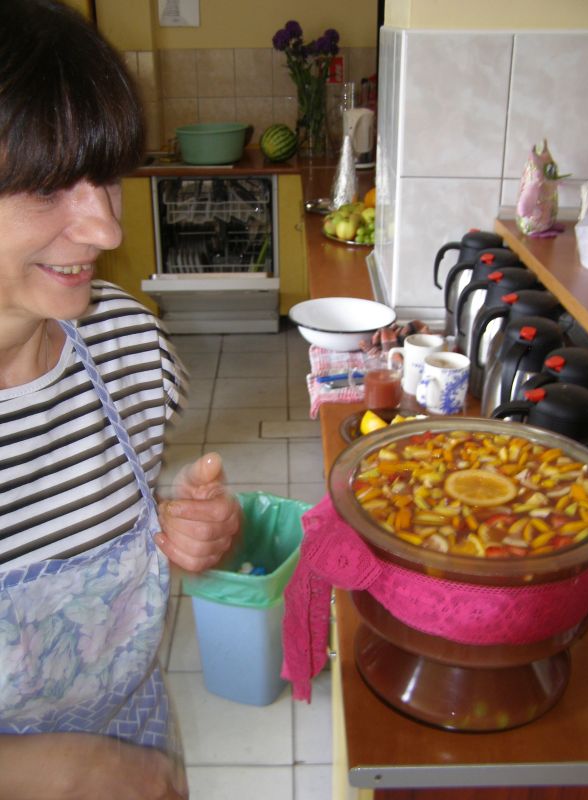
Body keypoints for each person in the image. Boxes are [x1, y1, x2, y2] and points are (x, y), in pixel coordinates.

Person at [0, 1, 241, 797]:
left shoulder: (128, 342)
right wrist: (56, 770)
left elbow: (94, 511)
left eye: (104, 176)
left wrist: (186, 525)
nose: (106, 229)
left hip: (136, 740)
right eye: (46, 188)